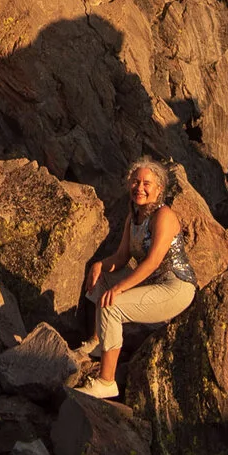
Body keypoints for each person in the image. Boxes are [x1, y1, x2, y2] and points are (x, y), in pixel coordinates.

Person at [73, 157, 199, 398]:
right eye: (135, 181)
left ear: (159, 189)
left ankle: (106, 381)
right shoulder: (134, 217)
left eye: (146, 183)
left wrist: (120, 288)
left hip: (176, 287)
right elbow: (121, 257)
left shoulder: (164, 216)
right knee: (102, 277)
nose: (139, 187)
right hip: (153, 284)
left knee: (113, 304)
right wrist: (99, 264)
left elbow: (152, 262)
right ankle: (99, 342)